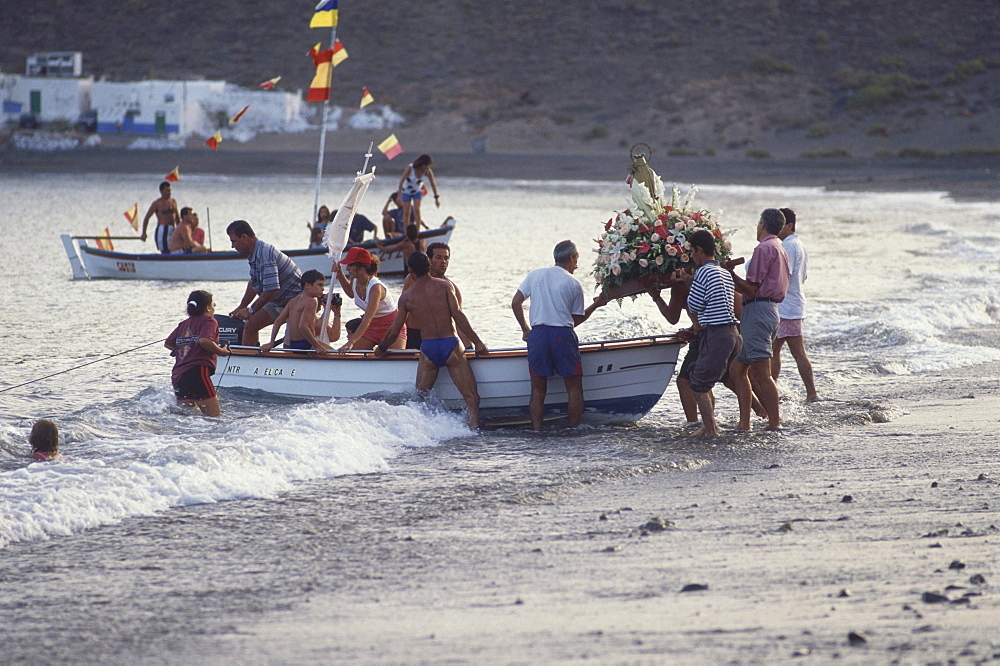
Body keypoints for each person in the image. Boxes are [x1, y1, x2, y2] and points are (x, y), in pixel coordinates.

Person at [376, 252, 489, 429]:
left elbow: (395, 330)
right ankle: (472, 432)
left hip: (428, 348)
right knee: (472, 398)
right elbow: (458, 316)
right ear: (429, 266)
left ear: (410, 270)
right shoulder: (445, 286)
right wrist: (478, 342)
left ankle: (425, 433)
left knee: (419, 398)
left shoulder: (406, 297)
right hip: (450, 345)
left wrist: (381, 348)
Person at [511, 240, 609, 430]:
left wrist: (525, 330)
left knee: (538, 390)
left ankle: (537, 431)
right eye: (576, 259)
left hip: (537, 335)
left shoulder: (535, 275)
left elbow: (516, 302)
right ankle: (573, 430)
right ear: (571, 257)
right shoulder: (574, 283)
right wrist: (596, 305)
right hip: (562, 335)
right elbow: (575, 320)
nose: (577, 265)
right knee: (573, 388)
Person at [727, 208, 790, 431]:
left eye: (757, 224)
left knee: (763, 374)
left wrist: (730, 275)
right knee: (737, 369)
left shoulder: (764, 248)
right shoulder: (779, 248)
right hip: (768, 311)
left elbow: (752, 289)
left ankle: (774, 423)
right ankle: (745, 423)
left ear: (762, 225)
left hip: (759, 310)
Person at [677, 229, 743, 437]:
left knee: (697, 385)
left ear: (699, 250)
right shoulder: (723, 272)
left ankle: (711, 431)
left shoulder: (703, 273)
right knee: (704, 378)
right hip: (733, 334)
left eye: (693, 252)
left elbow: (694, 304)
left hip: (717, 335)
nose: (692, 257)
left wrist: (687, 283)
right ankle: (709, 425)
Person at [227, 220, 303, 346]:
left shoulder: (265, 253)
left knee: (290, 345)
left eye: (233, 241)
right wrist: (242, 306)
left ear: (244, 237)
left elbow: (272, 290)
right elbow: (253, 284)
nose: (232, 246)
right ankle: (249, 361)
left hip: (296, 302)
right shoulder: (254, 254)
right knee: (249, 326)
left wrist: (250, 310)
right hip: (278, 301)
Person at [771, 208, 818, 401]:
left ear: (789, 225)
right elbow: (803, 276)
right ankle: (811, 393)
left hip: (785, 305)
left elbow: (783, 273)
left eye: (781, 224)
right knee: (795, 352)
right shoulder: (799, 244)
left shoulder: (789, 245)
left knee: (775, 351)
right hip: (795, 303)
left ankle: (770, 390)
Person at [165, 290, 231, 417]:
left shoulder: (184, 324)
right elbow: (204, 340)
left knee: (188, 418)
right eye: (213, 305)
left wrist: (183, 347)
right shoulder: (209, 321)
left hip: (179, 376)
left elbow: (168, 343)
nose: (214, 308)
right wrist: (221, 351)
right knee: (215, 418)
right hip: (197, 372)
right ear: (207, 308)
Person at [335, 246, 407, 352]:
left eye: (350, 265)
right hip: (372, 326)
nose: (347, 269)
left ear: (362, 267)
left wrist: (350, 342)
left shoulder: (375, 288)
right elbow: (351, 293)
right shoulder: (355, 279)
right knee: (349, 354)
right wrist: (339, 274)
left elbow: (367, 319)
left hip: (391, 326)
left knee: (394, 359)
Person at [401, 241, 467, 350]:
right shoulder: (413, 279)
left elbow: (459, 321)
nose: (443, 262)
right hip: (414, 335)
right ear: (429, 260)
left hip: (441, 338)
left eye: (446, 258)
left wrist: (469, 347)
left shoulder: (453, 289)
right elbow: (402, 313)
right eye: (439, 257)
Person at [261, 269, 340, 353]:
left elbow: (278, 321)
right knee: (336, 354)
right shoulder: (312, 301)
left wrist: (271, 341)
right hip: (306, 343)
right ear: (308, 285)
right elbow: (303, 326)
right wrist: (317, 346)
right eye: (320, 285)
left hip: (293, 343)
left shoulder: (293, 301)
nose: (323, 289)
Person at [396, 154, 439, 230]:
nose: (427, 167)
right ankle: (407, 232)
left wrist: (436, 198)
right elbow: (401, 182)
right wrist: (399, 196)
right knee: (406, 212)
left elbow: (433, 184)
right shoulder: (411, 168)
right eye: (426, 165)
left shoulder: (428, 172)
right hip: (406, 191)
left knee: (417, 210)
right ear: (422, 164)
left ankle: (417, 231)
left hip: (417, 191)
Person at [140, 181, 180, 253]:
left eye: (170, 190)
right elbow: (147, 218)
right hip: (163, 228)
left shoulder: (173, 202)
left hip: (172, 228)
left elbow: (177, 218)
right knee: (165, 250)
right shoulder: (157, 203)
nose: (169, 193)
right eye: (167, 191)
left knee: (174, 249)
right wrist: (144, 233)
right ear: (161, 191)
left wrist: (179, 230)